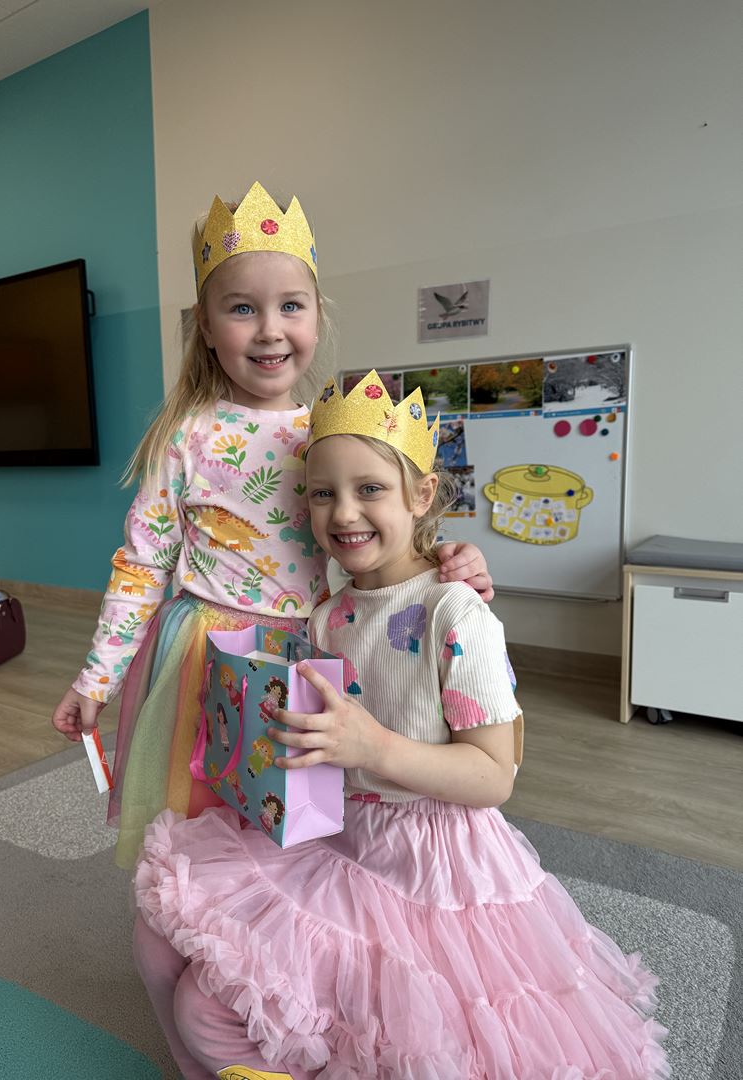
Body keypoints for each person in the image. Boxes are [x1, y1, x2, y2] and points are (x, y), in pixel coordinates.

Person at [131, 370, 669, 1079]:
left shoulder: (458, 613)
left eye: (370, 489)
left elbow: (493, 776)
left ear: (421, 495)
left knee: (216, 1008)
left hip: (433, 864)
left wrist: (373, 746)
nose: (344, 512)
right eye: (322, 493)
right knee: (161, 943)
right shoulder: (329, 615)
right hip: (341, 834)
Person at [51, 183, 493, 868]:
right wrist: (96, 680)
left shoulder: (331, 434)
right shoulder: (186, 437)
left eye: (291, 305)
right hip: (202, 655)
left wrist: (449, 563)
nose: (269, 329)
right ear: (204, 324)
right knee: (200, 825)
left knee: (298, 826)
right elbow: (141, 566)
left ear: (317, 314)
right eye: (241, 308)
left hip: (314, 648)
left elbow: (382, 538)